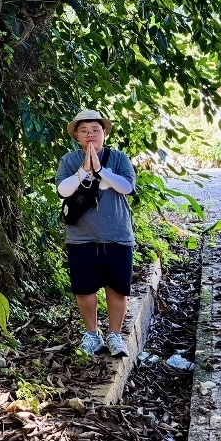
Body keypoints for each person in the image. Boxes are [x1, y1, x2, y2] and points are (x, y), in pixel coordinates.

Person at [55, 109, 136, 357]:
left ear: (104, 133)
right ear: (76, 136)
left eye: (95, 130)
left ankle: (114, 335)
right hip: (81, 237)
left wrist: (101, 170)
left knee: (117, 289)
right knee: (85, 290)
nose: (90, 135)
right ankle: (91, 335)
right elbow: (62, 191)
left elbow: (127, 186)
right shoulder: (69, 161)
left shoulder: (119, 158)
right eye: (84, 131)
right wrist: (83, 171)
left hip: (117, 234)